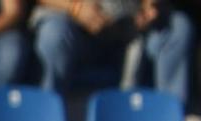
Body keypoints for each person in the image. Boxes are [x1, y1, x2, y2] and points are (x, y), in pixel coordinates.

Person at [31, 0, 193, 105]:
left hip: (131, 28)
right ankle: (46, 114)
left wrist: (150, 6)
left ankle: (169, 120)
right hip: (73, 26)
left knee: (178, 27)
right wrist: (76, 7)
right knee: (53, 34)